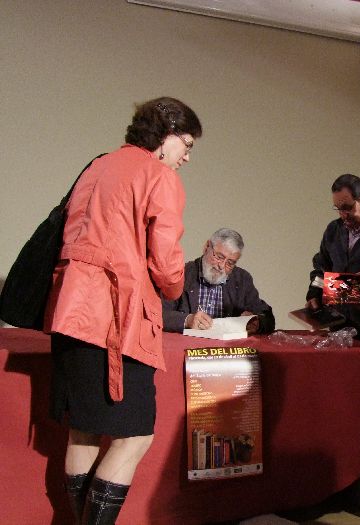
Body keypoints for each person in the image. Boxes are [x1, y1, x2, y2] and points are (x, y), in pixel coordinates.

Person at [44, 96, 202, 524]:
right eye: (187, 145)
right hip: (116, 319)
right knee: (135, 437)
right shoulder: (159, 176)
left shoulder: (98, 165)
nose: (187, 157)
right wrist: (175, 287)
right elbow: (167, 266)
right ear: (167, 135)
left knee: (83, 432)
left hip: (69, 311)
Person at [305, 174, 360, 343]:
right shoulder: (333, 230)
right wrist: (315, 292)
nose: (343, 215)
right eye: (338, 209)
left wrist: (332, 289)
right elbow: (321, 267)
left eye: (348, 208)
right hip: (338, 330)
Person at [163, 228, 275, 335]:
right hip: (188, 345)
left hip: (228, 347)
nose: (221, 266)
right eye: (219, 257)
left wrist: (257, 323)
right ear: (206, 247)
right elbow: (159, 314)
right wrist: (187, 320)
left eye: (230, 263)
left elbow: (266, 316)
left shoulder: (242, 279)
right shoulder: (182, 274)